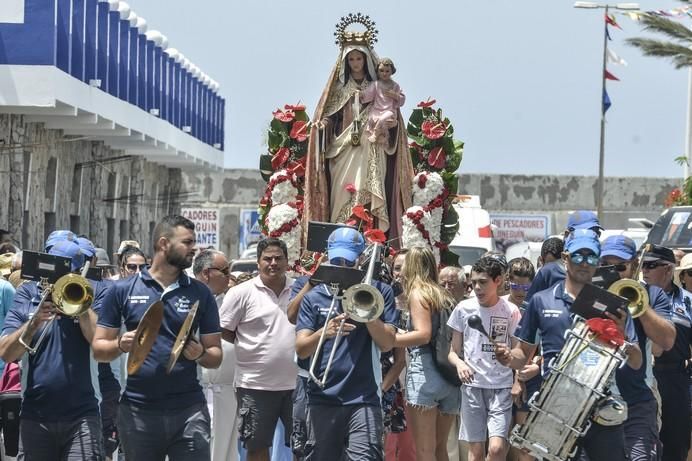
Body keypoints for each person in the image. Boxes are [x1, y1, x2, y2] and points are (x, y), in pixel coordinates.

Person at [498, 229, 642, 460]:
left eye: (591, 257)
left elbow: (636, 362)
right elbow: (521, 355)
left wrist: (624, 336)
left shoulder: (612, 304)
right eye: (578, 256)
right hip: (556, 411)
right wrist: (507, 358)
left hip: (602, 411)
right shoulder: (541, 300)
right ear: (565, 258)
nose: (584, 263)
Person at [92, 215, 223, 460]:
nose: (193, 248)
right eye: (187, 242)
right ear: (164, 244)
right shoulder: (122, 290)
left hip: (189, 410)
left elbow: (216, 356)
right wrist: (121, 344)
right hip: (138, 410)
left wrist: (201, 354)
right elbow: (99, 349)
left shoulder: (200, 293)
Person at [303, 24, 413, 244]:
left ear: (366, 60)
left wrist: (386, 125)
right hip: (343, 150)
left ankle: (371, 237)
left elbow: (395, 119)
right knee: (342, 195)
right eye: (351, 59)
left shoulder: (379, 86)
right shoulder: (337, 90)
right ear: (345, 62)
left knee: (370, 194)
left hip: (372, 147)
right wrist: (323, 125)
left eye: (359, 59)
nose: (355, 64)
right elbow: (329, 117)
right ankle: (339, 238)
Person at [296, 227, 398, 460]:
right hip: (322, 397)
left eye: (348, 261)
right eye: (337, 260)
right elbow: (301, 347)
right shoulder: (314, 297)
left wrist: (366, 312)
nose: (342, 266)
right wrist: (325, 331)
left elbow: (387, 344)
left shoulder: (381, 292)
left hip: (363, 398)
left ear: (361, 259)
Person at [0, 239, 104, 460]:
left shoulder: (92, 296)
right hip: (35, 415)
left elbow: (100, 345)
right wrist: (34, 321)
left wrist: (81, 307)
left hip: (82, 416)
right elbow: (7, 353)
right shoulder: (27, 293)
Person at [219, 238, 297, 461]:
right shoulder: (241, 292)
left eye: (278, 258)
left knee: (303, 445)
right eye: (267, 259)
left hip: (296, 385)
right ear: (258, 262)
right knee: (256, 447)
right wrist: (250, 345)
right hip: (254, 385)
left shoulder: (299, 288)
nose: (273, 263)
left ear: (287, 261)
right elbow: (225, 329)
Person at [600, 236, 675, 461]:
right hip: (597, 400)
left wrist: (639, 304)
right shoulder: (592, 292)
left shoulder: (653, 294)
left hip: (638, 400)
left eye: (620, 266)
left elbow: (667, 340)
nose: (615, 272)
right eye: (607, 265)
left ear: (634, 265)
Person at [447, 256, 521, 461]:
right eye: (474, 283)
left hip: (501, 387)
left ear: (498, 281)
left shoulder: (511, 311)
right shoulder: (463, 309)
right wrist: (460, 364)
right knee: (476, 451)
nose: (477, 288)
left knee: (496, 449)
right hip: (472, 386)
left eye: (483, 282)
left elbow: (519, 354)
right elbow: (452, 352)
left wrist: (516, 378)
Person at [393, 246, 459, 461]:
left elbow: (423, 334)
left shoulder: (418, 293)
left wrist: (392, 338)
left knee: (424, 451)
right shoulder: (443, 294)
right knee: (441, 449)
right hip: (449, 375)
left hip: (425, 372)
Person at [641, 244, 692, 461]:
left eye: (651, 265)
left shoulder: (688, 301)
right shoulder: (636, 294)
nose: (645, 270)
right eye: (644, 265)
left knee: (676, 442)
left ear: (669, 269)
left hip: (676, 378)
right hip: (644, 376)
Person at [193, 249, 239, 461]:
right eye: (224, 270)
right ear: (206, 273)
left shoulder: (233, 300)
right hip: (195, 390)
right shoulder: (187, 299)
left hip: (227, 392)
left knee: (225, 452)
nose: (230, 275)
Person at [503, 258, 538, 461]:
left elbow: (540, 348)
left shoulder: (535, 306)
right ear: (508, 281)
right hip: (499, 379)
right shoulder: (500, 304)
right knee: (500, 440)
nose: (520, 291)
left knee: (522, 441)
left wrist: (521, 378)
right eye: (516, 285)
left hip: (527, 379)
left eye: (526, 286)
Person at [362, 57, 405, 145]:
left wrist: (395, 95)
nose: (384, 73)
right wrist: (361, 94)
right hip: (377, 109)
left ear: (391, 71)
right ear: (377, 71)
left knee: (382, 119)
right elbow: (367, 95)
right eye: (381, 71)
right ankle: (376, 134)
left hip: (389, 111)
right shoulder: (376, 84)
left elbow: (402, 99)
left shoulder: (395, 86)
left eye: (387, 71)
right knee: (370, 119)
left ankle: (375, 133)